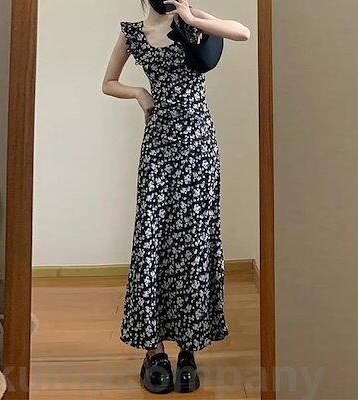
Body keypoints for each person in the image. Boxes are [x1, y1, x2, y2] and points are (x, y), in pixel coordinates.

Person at [102, 0, 250, 394]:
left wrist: (190, 16)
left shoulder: (195, 22)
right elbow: (108, 82)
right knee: (151, 239)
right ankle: (153, 350)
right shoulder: (133, 33)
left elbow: (242, 32)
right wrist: (138, 92)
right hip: (159, 144)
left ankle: (188, 349)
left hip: (199, 144)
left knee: (193, 242)